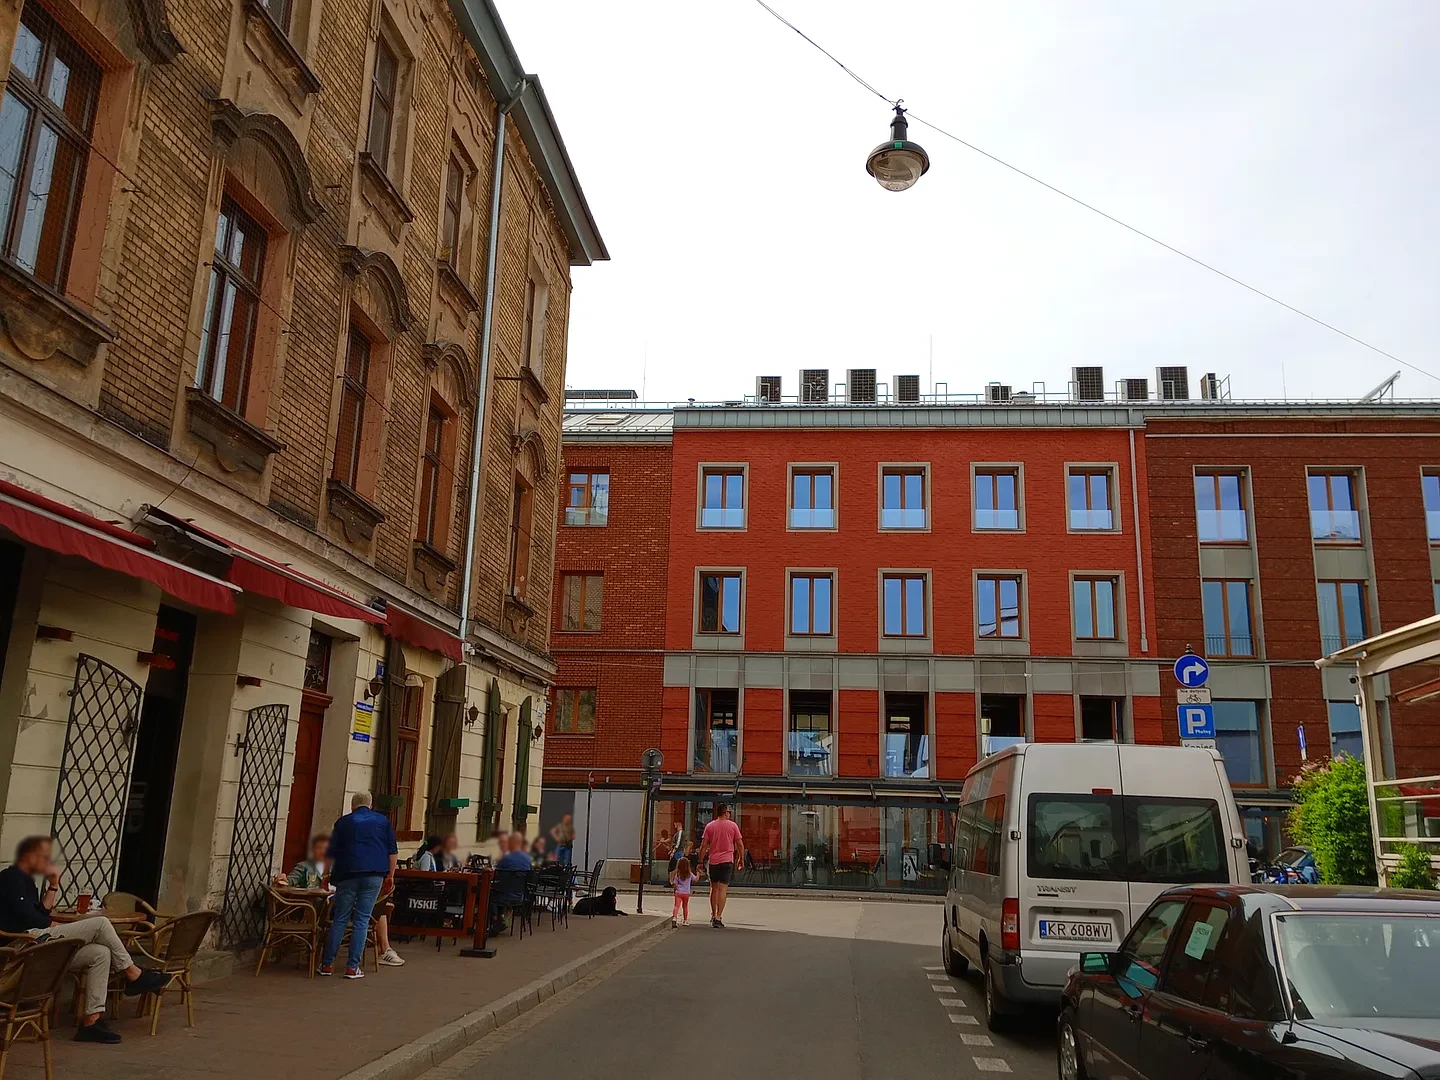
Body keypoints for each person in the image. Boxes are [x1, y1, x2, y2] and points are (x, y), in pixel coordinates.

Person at [0, 836, 169, 1043]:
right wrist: (60, 927)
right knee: (100, 924)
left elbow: (43, 912)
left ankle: (91, 1022)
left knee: (100, 953)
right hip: (24, 944)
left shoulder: (27, 881)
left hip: (40, 940)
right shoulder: (11, 877)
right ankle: (134, 974)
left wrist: (54, 885)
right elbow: (30, 919)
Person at [321, 792, 397, 979]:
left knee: (340, 918)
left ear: (352, 806)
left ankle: (327, 965)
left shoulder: (343, 822)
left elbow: (330, 851)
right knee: (362, 920)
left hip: (346, 873)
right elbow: (392, 851)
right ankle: (352, 967)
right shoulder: (383, 822)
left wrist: (325, 874)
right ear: (370, 805)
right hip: (374, 874)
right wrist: (390, 875)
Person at [696, 802, 744, 928]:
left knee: (714, 888)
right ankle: (718, 916)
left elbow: (703, 846)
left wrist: (700, 861)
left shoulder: (710, 826)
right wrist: (741, 858)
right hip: (727, 860)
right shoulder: (733, 826)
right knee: (723, 889)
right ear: (725, 812)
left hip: (714, 861)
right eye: (728, 812)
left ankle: (712, 914)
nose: (729, 814)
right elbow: (739, 844)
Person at [489, 832, 532, 933]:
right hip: (521, 896)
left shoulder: (505, 859)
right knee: (502, 890)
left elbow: (496, 877)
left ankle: (495, 920)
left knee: (490, 896)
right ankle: (501, 918)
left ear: (511, 843)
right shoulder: (527, 859)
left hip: (505, 896)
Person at [669, 856, 697, 928]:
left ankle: (674, 918)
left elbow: (675, 884)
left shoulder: (678, 874)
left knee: (676, 906)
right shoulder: (689, 874)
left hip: (678, 892)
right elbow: (695, 880)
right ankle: (685, 920)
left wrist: (675, 890)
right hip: (686, 893)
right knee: (685, 906)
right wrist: (699, 873)